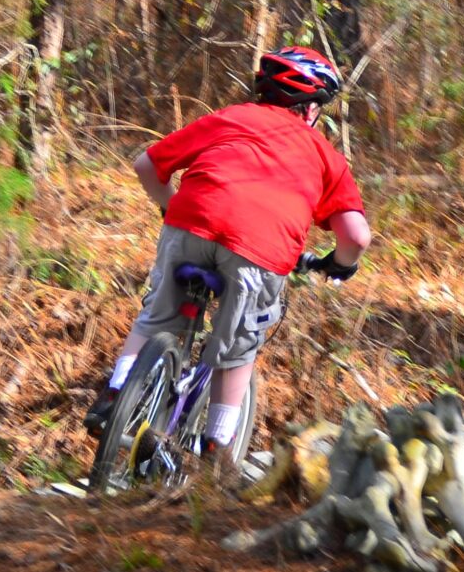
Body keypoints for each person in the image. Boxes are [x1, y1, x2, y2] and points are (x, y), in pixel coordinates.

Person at [84, 46, 373, 462]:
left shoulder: (230, 117)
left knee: (155, 317)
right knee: (236, 349)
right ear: (310, 109)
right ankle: (218, 447)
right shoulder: (325, 156)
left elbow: (147, 164)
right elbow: (356, 236)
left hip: (189, 224)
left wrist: (172, 210)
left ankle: (115, 395)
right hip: (260, 251)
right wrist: (339, 265)